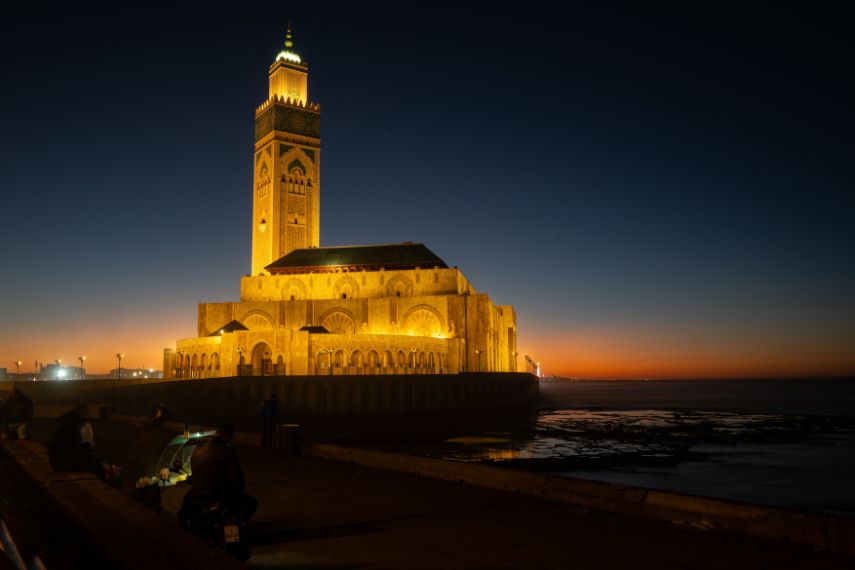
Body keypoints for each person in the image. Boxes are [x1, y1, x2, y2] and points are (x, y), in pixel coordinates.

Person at [181, 424, 257, 525]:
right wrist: (236, 492)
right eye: (229, 439)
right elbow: (237, 479)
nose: (229, 442)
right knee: (252, 502)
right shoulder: (228, 451)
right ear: (225, 437)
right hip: (219, 495)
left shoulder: (197, 450)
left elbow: (195, 474)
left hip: (197, 495)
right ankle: (239, 525)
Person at [48, 403, 104, 479]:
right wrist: (88, 445)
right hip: (63, 463)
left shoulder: (63, 423)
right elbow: (81, 448)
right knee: (98, 467)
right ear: (83, 412)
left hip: (54, 462)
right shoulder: (81, 424)